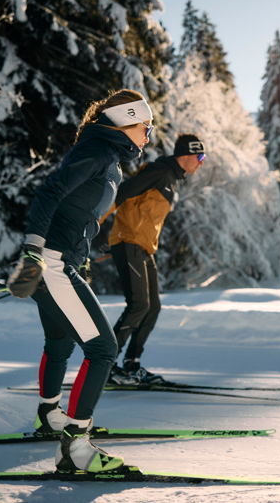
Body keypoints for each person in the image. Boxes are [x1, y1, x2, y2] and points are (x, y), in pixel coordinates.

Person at [6, 89, 153, 473]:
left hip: (60, 261)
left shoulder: (107, 155)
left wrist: (80, 254)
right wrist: (34, 249)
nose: (148, 136)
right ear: (126, 120)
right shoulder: (100, 152)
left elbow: (76, 210)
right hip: (52, 265)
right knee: (103, 349)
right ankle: (76, 448)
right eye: (145, 127)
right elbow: (50, 191)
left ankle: (49, 415)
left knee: (59, 341)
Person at [99, 134, 206, 386]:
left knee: (152, 307)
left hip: (143, 247)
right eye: (200, 157)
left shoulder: (170, 178)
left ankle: (132, 365)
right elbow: (122, 193)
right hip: (129, 242)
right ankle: (104, 366)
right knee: (138, 305)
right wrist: (93, 224)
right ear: (187, 155)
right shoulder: (159, 172)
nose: (201, 163)